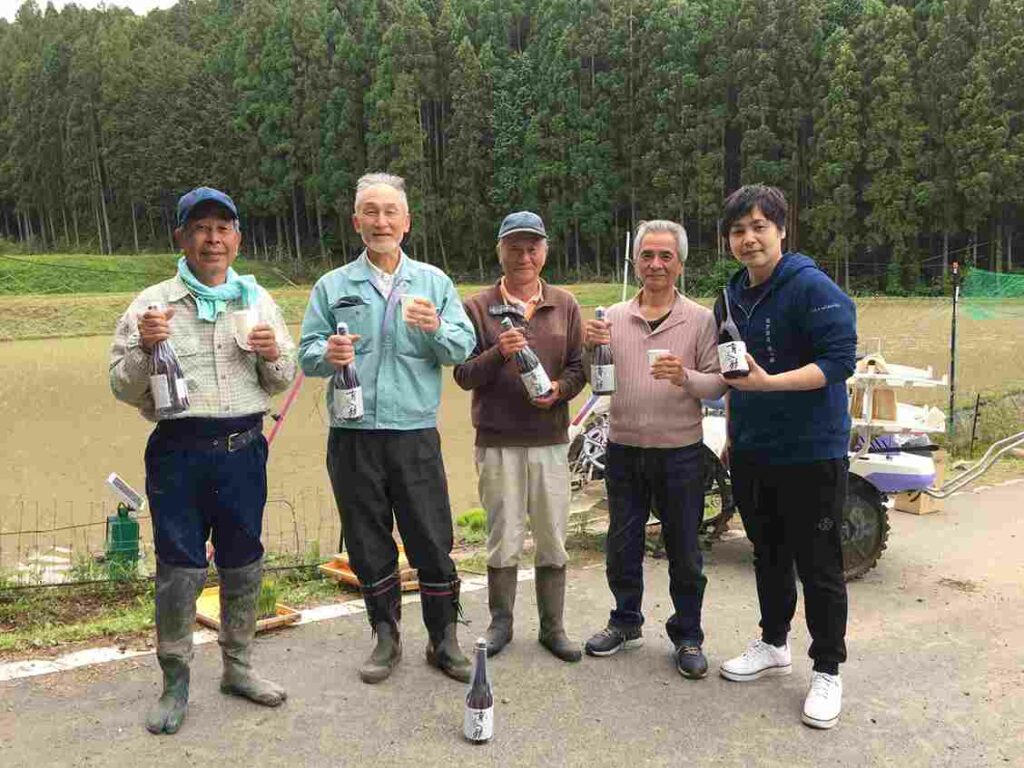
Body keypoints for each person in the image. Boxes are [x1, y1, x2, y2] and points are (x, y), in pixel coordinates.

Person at [110, 186, 297, 735]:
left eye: (222, 228)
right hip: (178, 454)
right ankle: (175, 682)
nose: (212, 239)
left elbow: (282, 379)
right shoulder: (152, 304)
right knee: (179, 570)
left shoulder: (257, 301)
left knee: (243, 561)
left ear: (237, 239)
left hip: (243, 451)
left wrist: (271, 354)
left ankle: (238, 667)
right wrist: (145, 348)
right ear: (181, 238)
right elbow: (121, 387)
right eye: (200, 228)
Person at [299, 172, 477, 685]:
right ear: (356, 222)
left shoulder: (434, 283)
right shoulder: (333, 286)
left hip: (414, 432)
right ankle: (385, 636)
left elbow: (461, 350)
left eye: (390, 212)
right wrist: (326, 355)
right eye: (370, 212)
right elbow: (307, 355)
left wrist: (435, 327)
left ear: (407, 222)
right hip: (352, 435)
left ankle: (444, 639)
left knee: (432, 538)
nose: (381, 221)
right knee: (367, 540)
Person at [716, 185, 857, 729]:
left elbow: (839, 361)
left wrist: (771, 384)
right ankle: (774, 642)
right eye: (738, 230)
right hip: (754, 450)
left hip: (811, 451)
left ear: (781, 230)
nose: (748, 238)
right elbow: (733, 378)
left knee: (818, 563)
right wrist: (727, 425)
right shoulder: (729, 297)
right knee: (767, 552)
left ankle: (828, 669)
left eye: (759, 226)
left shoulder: (811, 286)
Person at [581, 220, 726, 679]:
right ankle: (625, 621)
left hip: (680, 451)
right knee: (621, 544)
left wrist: (685, 377)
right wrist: (589, 350)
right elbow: (596, 380)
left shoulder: (701, 320)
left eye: (666, 256)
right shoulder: (613, 318)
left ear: (680, 264)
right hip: (623, 448)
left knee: (684, 548)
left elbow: (719, 384)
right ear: (636, 262)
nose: (656, 264)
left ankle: (688, 634)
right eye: (647, 256)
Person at [453, 211, 586, 662]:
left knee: (552, 535)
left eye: (532, 247)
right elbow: (463, 375)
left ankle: (553, 627)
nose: (524, 255)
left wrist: (560, 392)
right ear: (500, 251)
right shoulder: (475, 306)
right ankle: (501, 624)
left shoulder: (565, 303)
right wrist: (498, 353)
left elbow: (579, 367)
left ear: (545, 252)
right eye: (515, 246)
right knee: (503, 536)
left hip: (550, 440)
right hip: (496, 442)